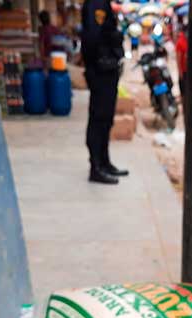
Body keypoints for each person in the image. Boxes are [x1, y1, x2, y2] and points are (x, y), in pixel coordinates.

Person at [81, 0, 128, 184]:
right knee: (99, 118)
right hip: (101, 70)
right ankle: (96, 166)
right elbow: (93, 37)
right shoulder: (96, 3)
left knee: (106, 118)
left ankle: (105, 161)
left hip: (106, 68)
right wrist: (100, 61)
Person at [175, 23, 189, 120]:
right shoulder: (181, 42)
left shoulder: (189, 41)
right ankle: (185, 113)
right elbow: (178, 59)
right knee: (184, 94)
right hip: (184, 72)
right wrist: (180, 73)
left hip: (190, 72)